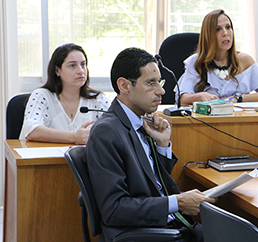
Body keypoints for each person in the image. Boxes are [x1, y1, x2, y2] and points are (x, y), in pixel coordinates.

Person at [86, 47, 215, 242]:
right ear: (124, 85)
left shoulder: (140, 121)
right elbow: (114, 209)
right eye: (150, 83)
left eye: (160, 82)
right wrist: (177, 202)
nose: (161, 90)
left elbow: (153, 185)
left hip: (167, 225)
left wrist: (162, 145)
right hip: (147, 232)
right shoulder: (107, 132)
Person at [175, 9, 258, 105]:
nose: (225, 33)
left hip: (239, 119)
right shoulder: (196, 62)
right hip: (205, 120)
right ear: (208, 35)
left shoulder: (245, 60)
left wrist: (237, 98)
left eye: (228, 27)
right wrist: (199, 96)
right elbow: (182, 98)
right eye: (218, 29)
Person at [19, 43, 111, 144]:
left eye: (83, 64)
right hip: (47, 159)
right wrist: (75, 137)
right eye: (72, 65)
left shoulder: (97, 100)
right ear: (57, 70)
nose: (80, 71)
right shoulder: (42, 96)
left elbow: (118, 130)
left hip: (86, 159)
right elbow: (31, 131)